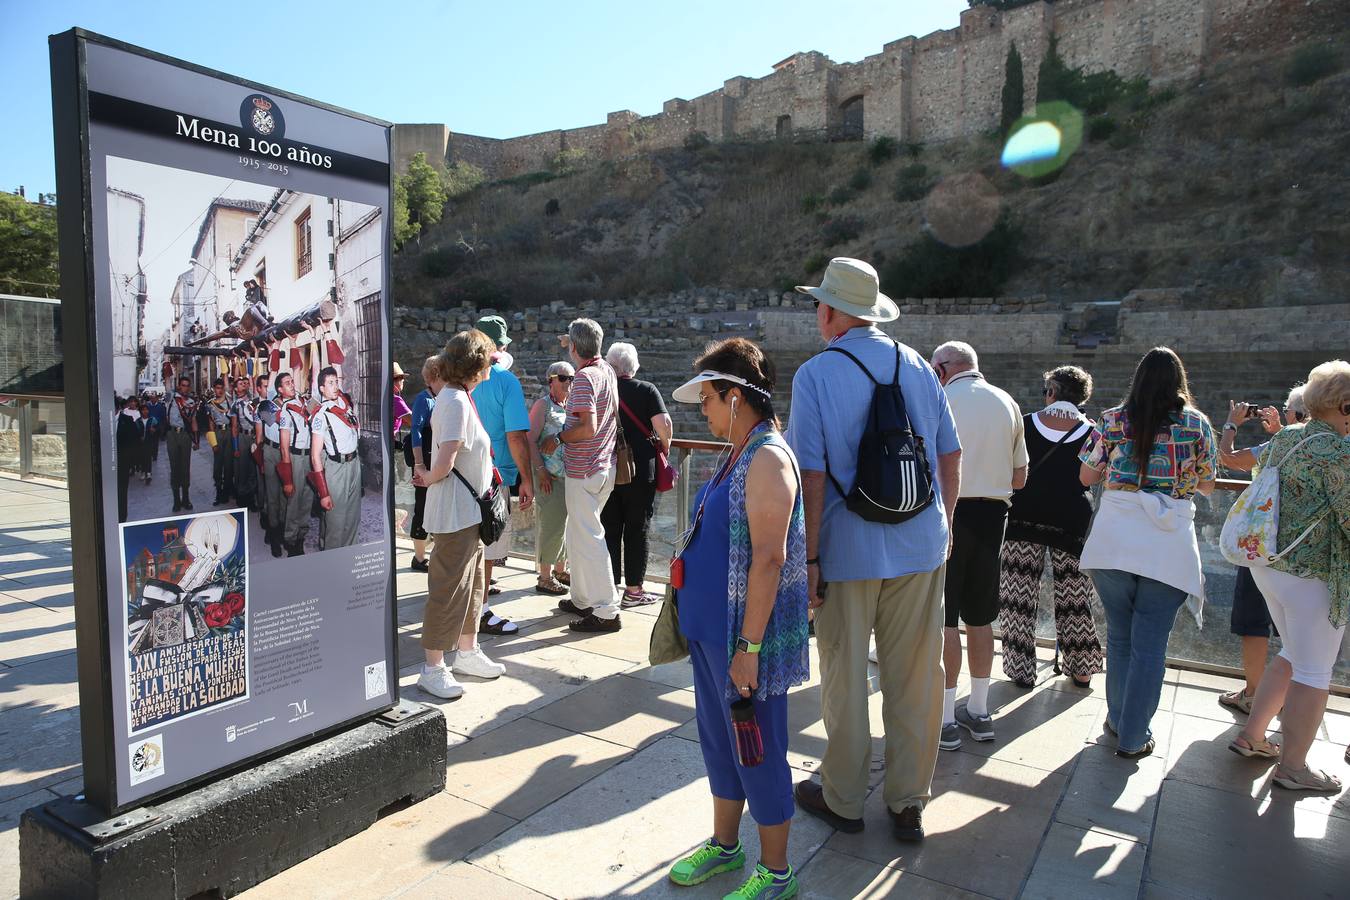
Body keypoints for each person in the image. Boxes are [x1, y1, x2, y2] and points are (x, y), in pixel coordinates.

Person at [786, 258, 961, 843]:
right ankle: (909, 801)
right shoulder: (919, 366)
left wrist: (807, 559)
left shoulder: (815, 375)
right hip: (921, 543)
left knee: (844, 674)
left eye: (819, 304)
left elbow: (809, 474)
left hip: (846, 548)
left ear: (833, 312)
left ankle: (843, 797)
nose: (817, 313)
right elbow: (949, 456)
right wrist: (946, 527)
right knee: (916, 675)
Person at [665, 338, 808, 899]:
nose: (702, 409)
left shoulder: (769, 458)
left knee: (758, 749)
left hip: (743, 642)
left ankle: (777, 874)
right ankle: (726, 847)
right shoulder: (739, 451)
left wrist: (748, 647)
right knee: (720, 743)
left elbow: (770, 559)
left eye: (707, 398)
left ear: (734, 397)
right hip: (711, 635)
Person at [1079, 347, 1217, 759]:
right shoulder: (1196, 425)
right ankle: (1134, 735)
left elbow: (1087, 474)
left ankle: (1118, 719)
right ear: (1180, 381)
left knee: (1119, 637)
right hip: (1167, 541)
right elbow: (1209, 485)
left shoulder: (1112, 420)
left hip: (1115, 537)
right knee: (1150, 644)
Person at [1231, 360, 1350, 792]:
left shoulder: (1286, 439)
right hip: (1312, 574)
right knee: (1315, 672)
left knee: (1293, 654)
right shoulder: (1339, 452)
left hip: (1270, 566)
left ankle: (1253, 736)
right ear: (1346, 406)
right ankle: (1294, 767)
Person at [929, 341, 1027, 748]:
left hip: (948, 513)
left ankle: (947, 717)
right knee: (981, 616)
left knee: (946, 617)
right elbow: (1020, 478)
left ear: (942, 368)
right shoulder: (1007, 402)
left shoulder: (939, 397)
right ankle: (981, 710)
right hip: (993, 517)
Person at [411, 332, 508, 698]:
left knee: (472, 587)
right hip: (456, 512)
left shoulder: (458, 397)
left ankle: (466, 652)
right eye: (488, 359)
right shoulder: (453, 401)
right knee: (448, 589)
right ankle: (432, 666)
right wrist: (426, 476)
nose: (491, 365)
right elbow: (444, 463)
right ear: (475, 364)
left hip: (467, 512)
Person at [998, 366, 1102, 688]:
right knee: (1074, 594)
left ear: (1052, 392)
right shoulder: (1094, 431)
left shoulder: (1025, 423)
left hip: (1023, 515)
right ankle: (1081, 668)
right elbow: (1094, 476)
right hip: (1071, 519)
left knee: (1018, 594)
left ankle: (1022, 669)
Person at [1215, 386, 1305, 714]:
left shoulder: (1278, 444)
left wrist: (1231, 424)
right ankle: (1295, 697)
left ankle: (1254, 693)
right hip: (1304, 551)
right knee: (1298, 629)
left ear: (1295, 415)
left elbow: (1228, 458)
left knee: (1253, 622)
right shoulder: (1329, 446)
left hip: (1263, 545)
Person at [552, 318, 623, 633]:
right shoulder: (607, 371)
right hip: (603, 467)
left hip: (584, 470)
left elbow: (586, 428)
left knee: (590, 538)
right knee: (579, 534)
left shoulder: (583, 378)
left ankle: (607, 610)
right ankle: (582, 598)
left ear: (576, 347)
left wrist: (556, 439)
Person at [470, 316, 535, 635]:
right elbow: (516, 436)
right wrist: (527, 477)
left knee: (467, 545)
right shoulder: (505, 380)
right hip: (496, 476)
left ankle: (467, 606)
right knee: (489, 547)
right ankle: (479, 612)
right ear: (499, 346)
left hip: (463, 473)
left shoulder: (462, 378)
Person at [603, 341, 673, 607]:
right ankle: (633, 591)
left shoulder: (603, 390)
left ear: (611, 365)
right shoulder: (646, 390)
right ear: (634, 366)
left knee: (609, 529)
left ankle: (608, 589)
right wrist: (664, 446)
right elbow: (663, 424)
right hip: (641, 470)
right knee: (636, 530)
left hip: (608, 468)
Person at [529, 361, 573, 595]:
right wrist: (540, 470)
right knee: (551, 525)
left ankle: (560, 569)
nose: (569, 382)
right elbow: (530, 439)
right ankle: (544, 576)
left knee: (563, 525)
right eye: (563, 378)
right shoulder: (542, 405)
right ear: (551, 380)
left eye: (571, 378)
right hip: (549, 476)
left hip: (567, 476)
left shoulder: (570, 405)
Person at [310, 366, 363, 550]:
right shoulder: (321, 415)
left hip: (354, 464)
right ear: (322, 388)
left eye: (336, 382)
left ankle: (349, 558)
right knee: (335, 522)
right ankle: (332, 565)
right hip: (336, 468)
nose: (335, 386)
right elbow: (315, 456)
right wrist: (323, 493)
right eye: (330, 383)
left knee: (352, 517)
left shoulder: (345, 407)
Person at [275, 372, 315, 557]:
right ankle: (290, 540)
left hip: (310, 457)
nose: (292, 385)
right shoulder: (285, 411)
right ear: (280, 390)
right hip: (296, 458)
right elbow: (284, 447)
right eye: (287, 383)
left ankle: (301, 536)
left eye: (292, 381)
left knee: (307, 499)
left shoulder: (304, 403)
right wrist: (288, 478)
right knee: (294, 501)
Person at [408, 356, 440, 573]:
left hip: (437, 460)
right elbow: (415, 431)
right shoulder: (424, 399)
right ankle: (419, 557)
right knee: (422, 506)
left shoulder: (442, 397)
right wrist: (419, 464)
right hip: (426, 461)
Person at [259, 374, 286, 557]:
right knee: (273, 496)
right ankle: (274, 534)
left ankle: (281, 529)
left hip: (287, 452)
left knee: (286, 497)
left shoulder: (292, 405)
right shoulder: (266, 406)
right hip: (270, 451)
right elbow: (261, 435)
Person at [165, 376, 199, 512]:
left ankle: (186, 498)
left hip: (185, 435)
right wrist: (167, 371)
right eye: (183, 385)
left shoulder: (191, 402)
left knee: (185, 467)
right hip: (172, 435)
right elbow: (167, 383)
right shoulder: (171, 398)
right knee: (174, 467)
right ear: (179, 386)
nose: (185, 388)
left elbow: (194, 421)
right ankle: (176, 500)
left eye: (187, 385)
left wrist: (196, 440)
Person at [229, 377, 258, 512]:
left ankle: (251, 497)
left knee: (253, 467)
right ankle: (242, 496)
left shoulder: (252, 400)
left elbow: (253, 379)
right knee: (242, 468)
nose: (244, 385)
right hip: (242, 437)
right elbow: (234, 426)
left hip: (253, 435)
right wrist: (235, 447)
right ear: (235, 389)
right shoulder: (235, 404)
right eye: (240, 384)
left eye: (244, 383)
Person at [115, 397, 141, 522]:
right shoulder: (100, 421)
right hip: (106, 464)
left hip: (122, 462)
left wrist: (132, 461)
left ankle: (121, 518)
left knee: (121, 490)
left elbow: (134, 440)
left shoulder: (127, 420)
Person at [146, 392, 166, 466]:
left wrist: (162, 427)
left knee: (155, 441)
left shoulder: (160, 406)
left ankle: (154, 455)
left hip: (157, 426)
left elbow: (163, 417)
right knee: (149, 441)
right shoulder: (147, 406)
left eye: (154, 398)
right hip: (149, 425)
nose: (153, 399)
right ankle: (150, 453)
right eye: (151, 398)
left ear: (157, 398)